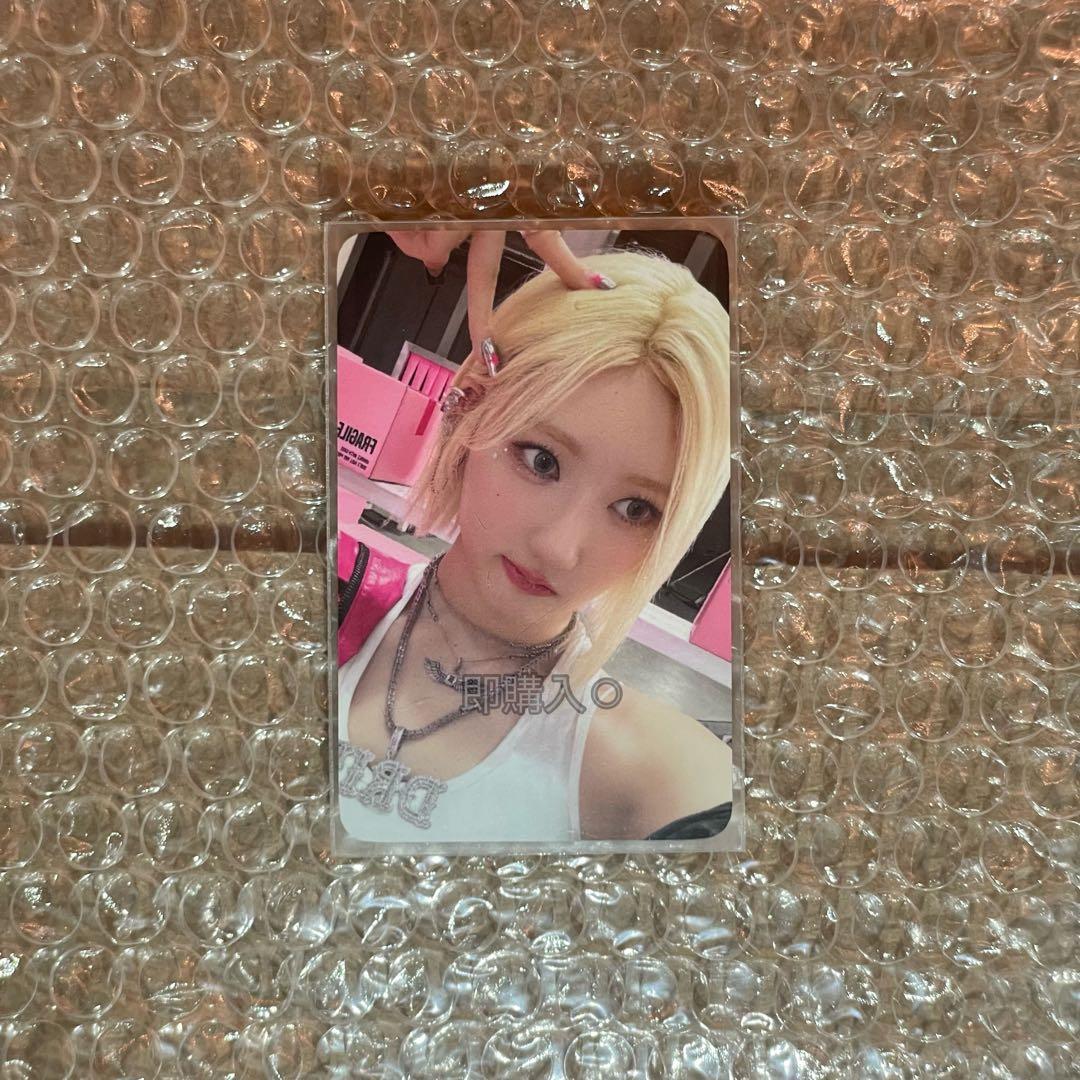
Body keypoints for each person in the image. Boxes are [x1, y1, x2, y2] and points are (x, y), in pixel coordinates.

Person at [337, 238, 732, 843]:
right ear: (470, 410)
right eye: (541, 460)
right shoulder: (330, 591)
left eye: (636, 509)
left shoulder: (648, 779)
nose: (559, 549)